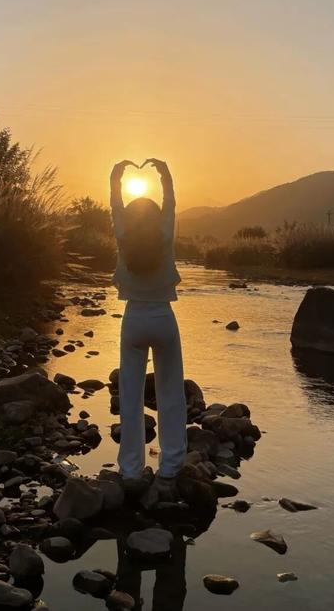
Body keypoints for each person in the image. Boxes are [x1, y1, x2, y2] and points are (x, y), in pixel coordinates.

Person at [110, 157, 187, 497]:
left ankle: (130, 472)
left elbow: (115, 207)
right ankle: (169, 472)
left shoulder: (124, 236)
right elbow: (170, 204)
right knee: (171, 393)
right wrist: (165, 175)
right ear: (156, 217)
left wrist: (116, 178)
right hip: (163, 318)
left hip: (134, 319)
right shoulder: (165, 234)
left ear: (130, 218)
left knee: (130, 396)